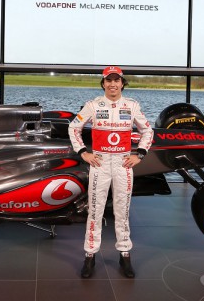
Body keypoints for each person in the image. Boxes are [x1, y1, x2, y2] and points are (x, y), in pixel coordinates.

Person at [68, 66, 153, 278]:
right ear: (103, 83)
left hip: (123, 164)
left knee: (122, 211)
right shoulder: (93, 105)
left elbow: (147, 131)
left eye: (116, 80)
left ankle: (125, 254)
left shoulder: (132, 105)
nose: (113, 84)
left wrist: (140, 154)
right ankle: (90, 255)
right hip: (100, 163)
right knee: (95, 210)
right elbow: (73, 127)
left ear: (122, 83)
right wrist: (83, 152)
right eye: (109, 80)